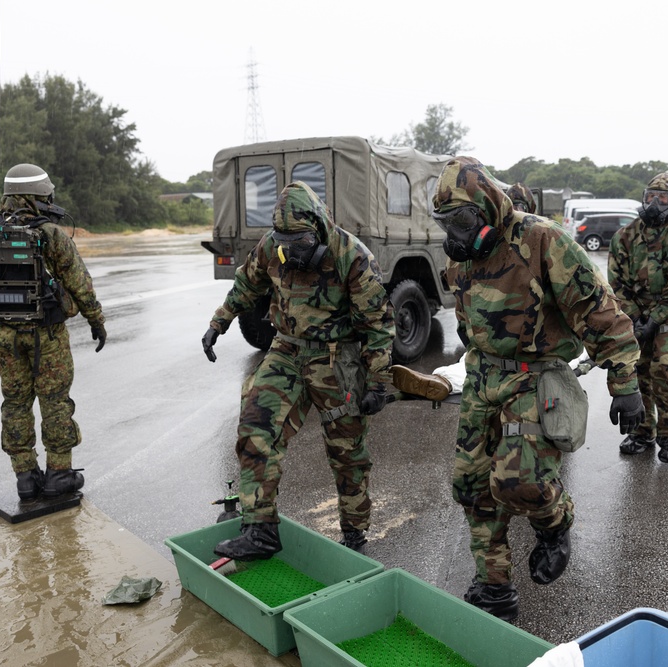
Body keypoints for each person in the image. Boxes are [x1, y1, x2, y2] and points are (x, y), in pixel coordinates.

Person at [433, 156, 644, 622]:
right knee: (470, 486)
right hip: (484, 376)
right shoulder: (459, 253)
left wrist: (625, 382)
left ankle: (555, 522)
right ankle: (495, 587)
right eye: (446, 222)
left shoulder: (541, 239)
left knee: (518, 482)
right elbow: (468, 317)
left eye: (464, 219)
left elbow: (598, 310)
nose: (456, 231)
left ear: (488, 207)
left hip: (533, 376)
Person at [201, 181, 395, 559]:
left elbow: (377, 322)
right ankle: (260, 531)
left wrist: (379, 380)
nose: (292, 253)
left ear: (319, 229)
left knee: (348, 452)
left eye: (301, 244)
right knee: (255, 429)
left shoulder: (351, 256)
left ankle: (355, 536)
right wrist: (218, 323)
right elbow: (246, 282)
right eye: (285, 244)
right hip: (287, 349)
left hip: (337, 359)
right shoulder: (272, 248)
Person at [0, 163, 107, 500]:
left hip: (3, 335)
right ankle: (59, 473)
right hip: (46, 335)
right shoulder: (52, 235)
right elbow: (79, 283)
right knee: (55, 400)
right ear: (43, 194)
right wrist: (95, 321)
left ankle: (25, 477)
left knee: (15, 402)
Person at [607, 171, 668, 464]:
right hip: (635, 315)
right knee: (638, 375)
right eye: (650, 197)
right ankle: (641, 433)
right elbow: (616, 282)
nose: (654, 203)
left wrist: (655, 320)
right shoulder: (624, 236)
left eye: (662, 198)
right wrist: (635, 317)